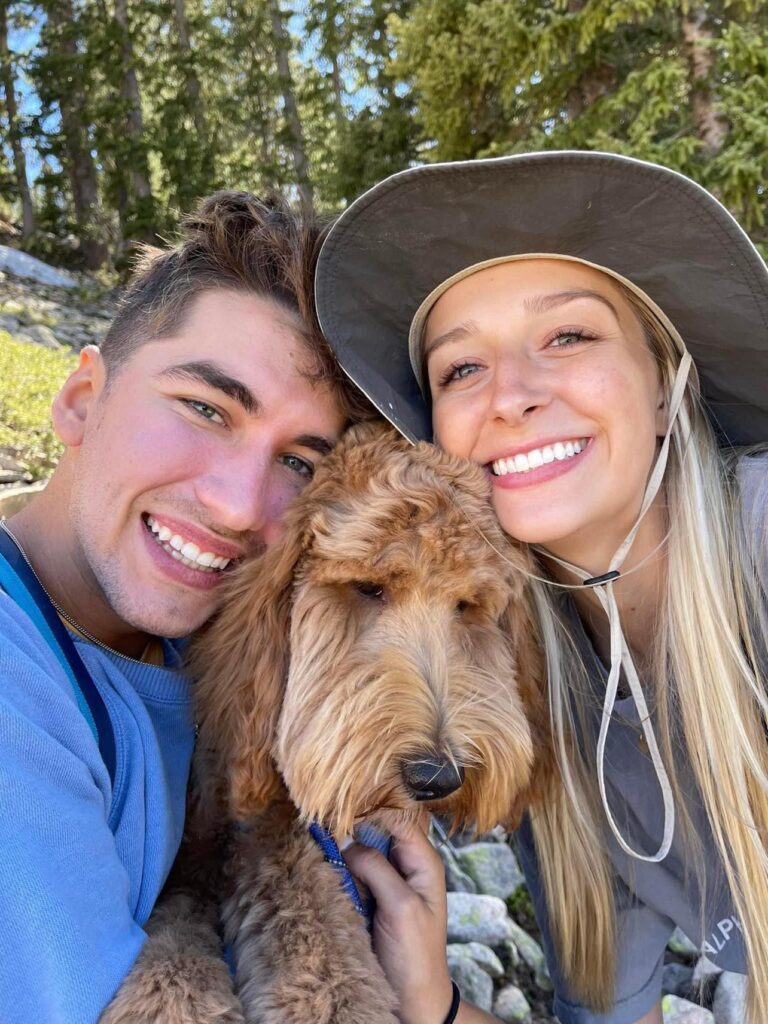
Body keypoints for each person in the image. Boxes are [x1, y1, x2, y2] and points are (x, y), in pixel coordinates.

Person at [315, 151, 768, 1024]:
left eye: (569, 335)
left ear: (668, 385)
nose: (512, 396)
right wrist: (434, 1005)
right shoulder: (533, 711)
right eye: (460, 369)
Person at [0, 190, 372, 1023]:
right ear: (81, 399)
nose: (241, 506)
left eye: (301, 464)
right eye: (206, 408)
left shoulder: (197, 641)